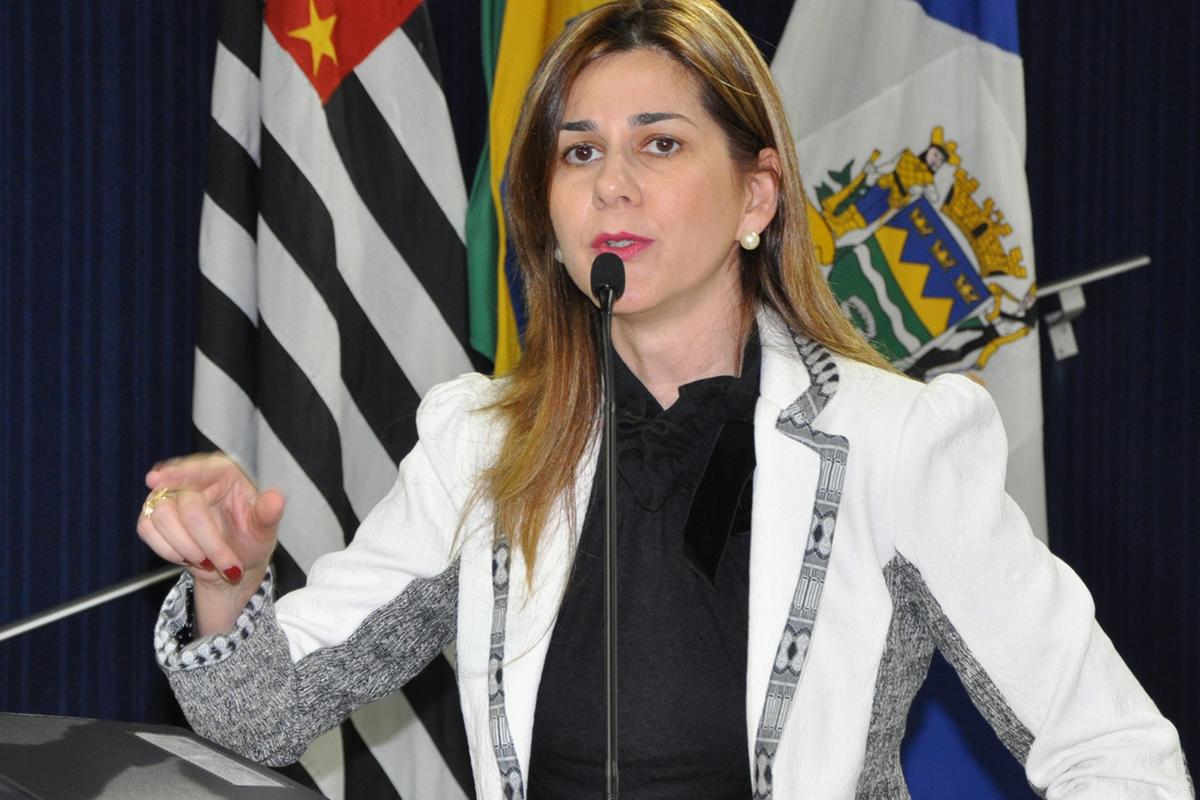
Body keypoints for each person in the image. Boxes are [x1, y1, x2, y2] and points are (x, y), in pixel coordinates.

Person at [138, 1, 1193, 797]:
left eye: (660, 143)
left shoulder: (890, 439)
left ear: (755, 196)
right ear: (547, 217)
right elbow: (260, 717)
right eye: (580, 152)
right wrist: (228, 583)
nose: (612, 184)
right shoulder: (482, 447)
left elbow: (1115, 750)